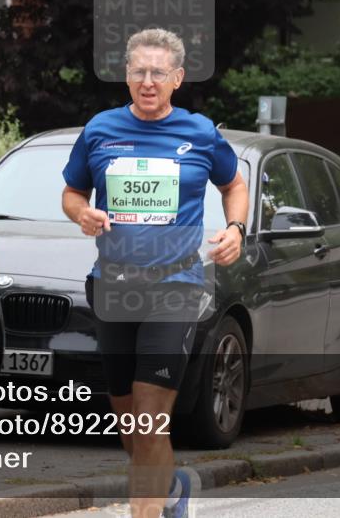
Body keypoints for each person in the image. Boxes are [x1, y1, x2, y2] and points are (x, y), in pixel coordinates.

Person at [62, 28, 249, 518]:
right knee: (131, 427)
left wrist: (236, 228)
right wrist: (81, 214)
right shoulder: (100, 129)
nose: (148, 82)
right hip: (115, 286)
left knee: (148, 420)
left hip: (176, 286)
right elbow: (72, 193)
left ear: (177, 79)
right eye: (139, 72)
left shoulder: (200, 133)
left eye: (158, 74)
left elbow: (234, 184)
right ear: (127, 75)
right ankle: (170, 492)